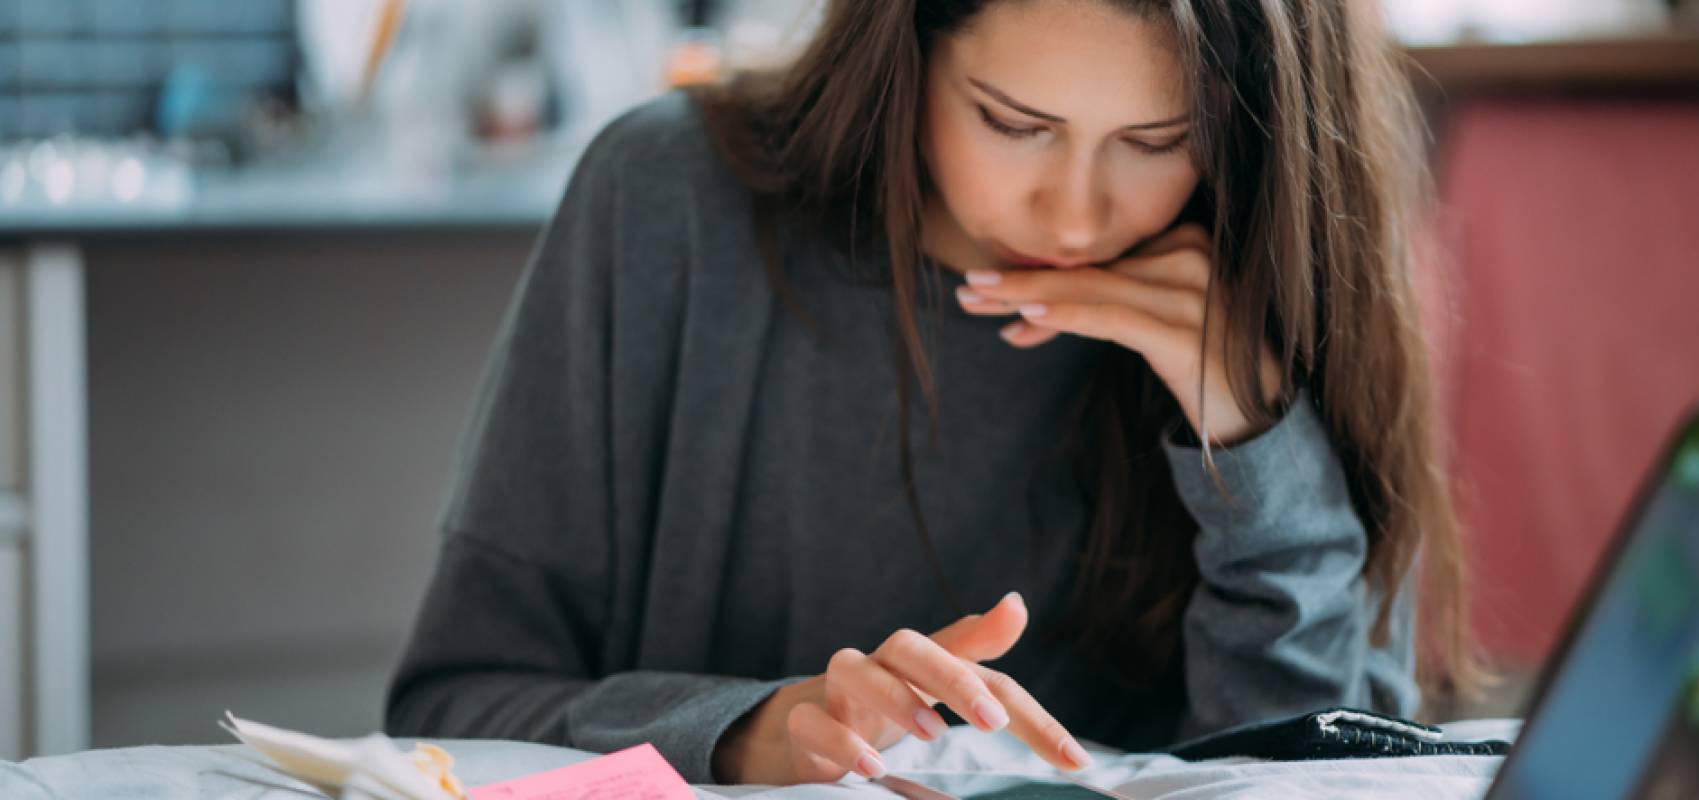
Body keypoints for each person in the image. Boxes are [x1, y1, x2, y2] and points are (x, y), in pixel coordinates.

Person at [384, 0, 1480, 787]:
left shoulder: (1283, 258)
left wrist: (1251, 442)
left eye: (1156, 141)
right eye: (1013, 122)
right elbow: (451, 708)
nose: (1073, 216)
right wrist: (747, 731)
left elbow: (1325, 770)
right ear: (906, 48)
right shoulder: (664, 201)